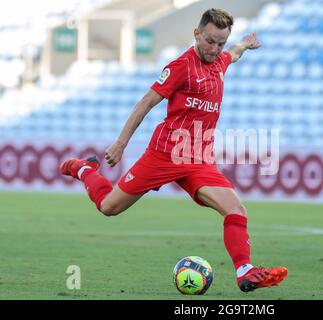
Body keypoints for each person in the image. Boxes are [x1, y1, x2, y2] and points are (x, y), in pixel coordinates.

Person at [60, 8, 288, 292]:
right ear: (196, 34)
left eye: (220, 43)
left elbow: (234, 52)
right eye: (210, 41)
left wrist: (244, 44)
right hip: (164, 154)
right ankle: (83, 169)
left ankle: (245, 271)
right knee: (109, 207)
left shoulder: (220, 61)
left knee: (236, 209)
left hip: (198, 160)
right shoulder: (181, 67)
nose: (215, 49)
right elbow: (146, 102)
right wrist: (121, 143)